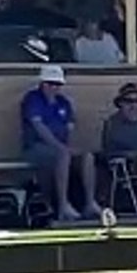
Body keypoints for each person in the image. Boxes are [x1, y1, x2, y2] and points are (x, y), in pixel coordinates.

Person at [20, 64, 102, 222]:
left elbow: (69, 130)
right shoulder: (33, 99)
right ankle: (63, 205)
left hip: (60, 148)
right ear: (42, 83)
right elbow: (39, 128)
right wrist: (61, 148)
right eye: (50, 83)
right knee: (63, 155)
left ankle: (90, 203)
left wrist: (69, 148)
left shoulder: (64, 102)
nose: (54, 87)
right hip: (35, 148)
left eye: (57, 84)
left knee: (87, 156)